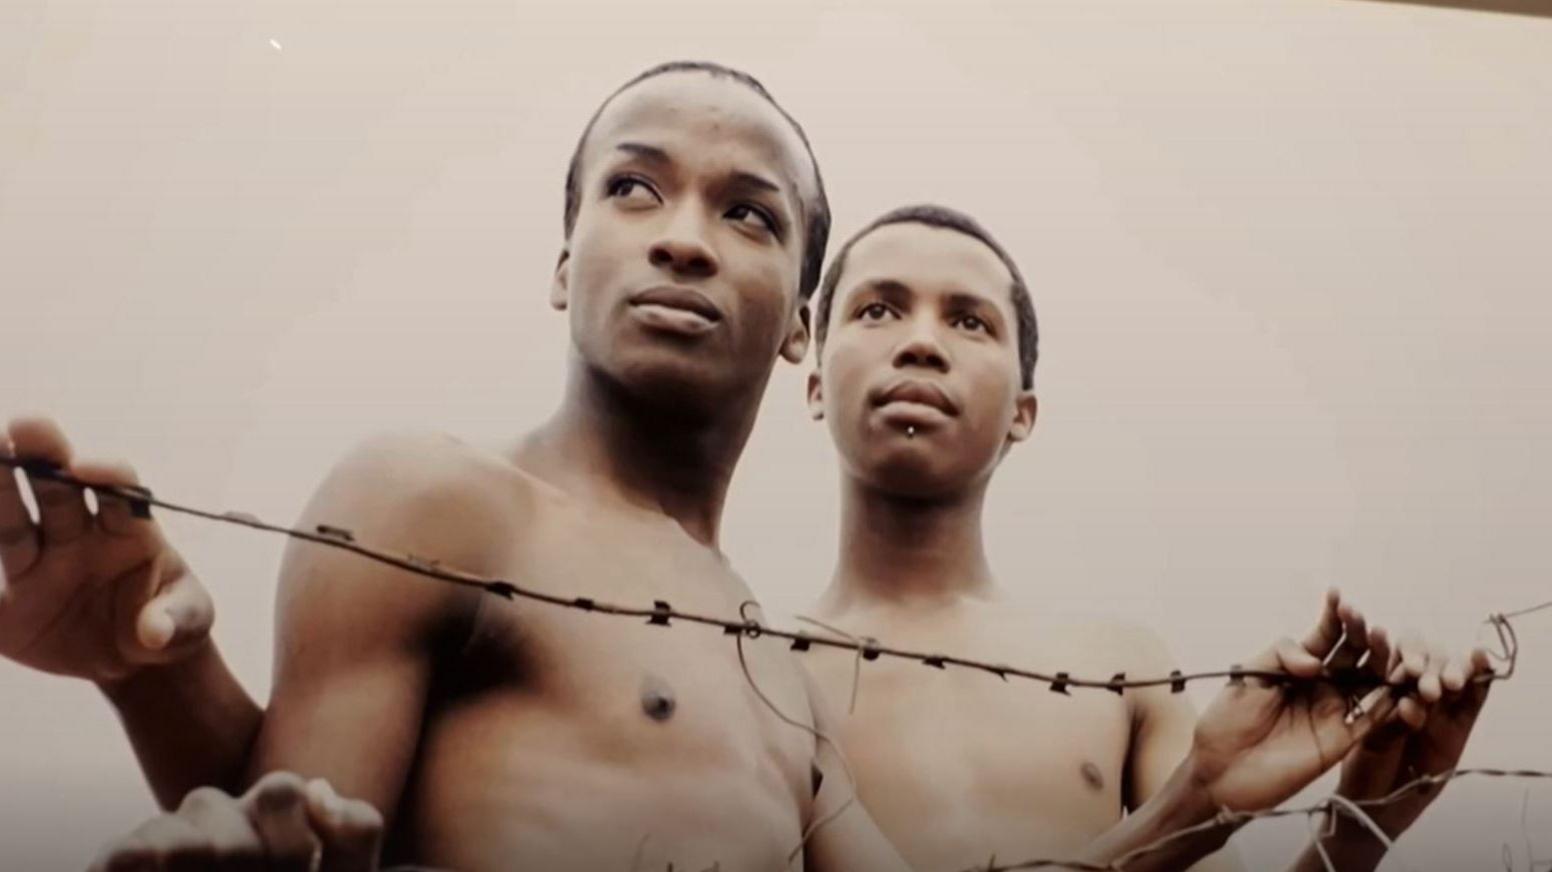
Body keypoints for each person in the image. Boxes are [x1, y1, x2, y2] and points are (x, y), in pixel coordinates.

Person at [0, 61, 912, 872]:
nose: (682, 238)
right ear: (565, 264)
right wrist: (157, 677)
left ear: (802, 324)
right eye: (633, 187)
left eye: (748, 212)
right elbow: (298, 838)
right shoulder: (435, 503)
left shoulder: (784, 682)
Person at [797, 204, 1494, 870]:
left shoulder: (1116, 670)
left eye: (970, 321)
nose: (921, 342)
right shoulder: (761, 676)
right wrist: (1190, 804)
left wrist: (1358, 828)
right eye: (878, 310)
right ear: (816, 384)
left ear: (1023, 412)